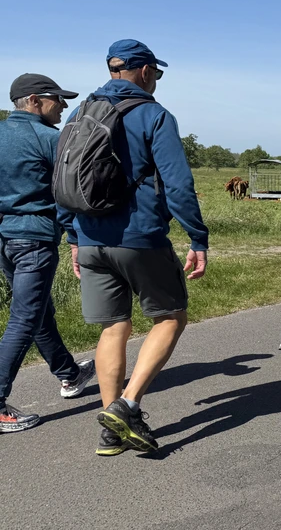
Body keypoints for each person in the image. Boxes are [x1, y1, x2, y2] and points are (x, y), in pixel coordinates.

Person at [63, 40, 208, 456]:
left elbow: (64, 180)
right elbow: (178, 183)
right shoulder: (154, 114)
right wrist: (197, 236)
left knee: (114, 326)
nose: (157, 81)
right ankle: (126, 407)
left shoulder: (79, 113)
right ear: (144, 71)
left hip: (90, 238)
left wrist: (73, 237)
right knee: (171, 317)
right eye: (157, 74)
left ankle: (111, 431)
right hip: (139, 237)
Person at [0, 74, 96, 433]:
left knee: (38, 311)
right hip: (35, 239)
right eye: (58, 98)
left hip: (5, 240)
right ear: (35, 100)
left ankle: (69, 375)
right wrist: (75, 238)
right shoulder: (50, 139)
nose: (64, 106)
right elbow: (67, 194)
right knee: (24, 318)